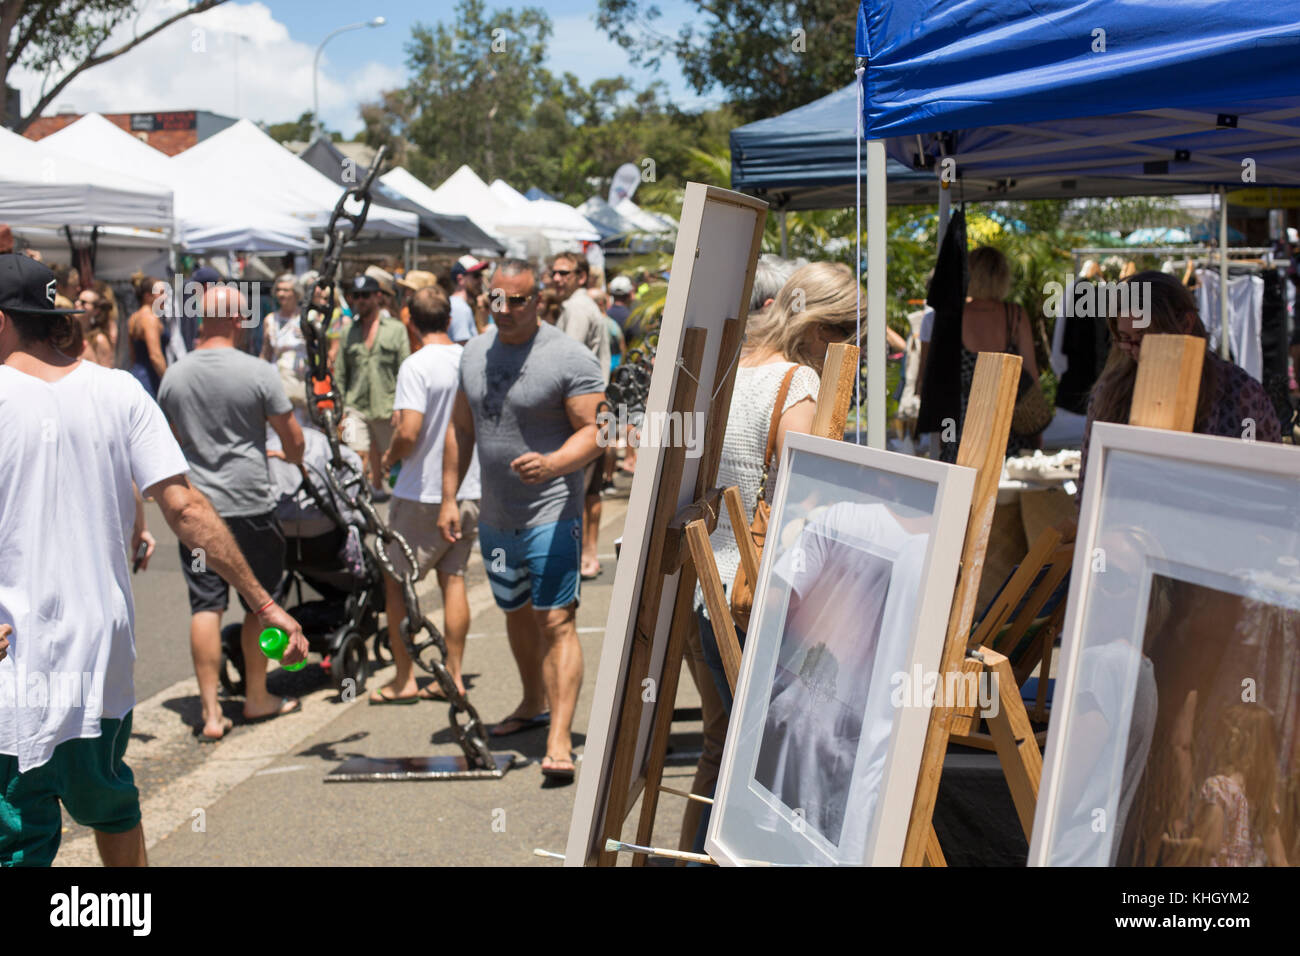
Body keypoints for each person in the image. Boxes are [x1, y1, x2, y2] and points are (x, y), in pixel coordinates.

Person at [0, 254, 306, 866]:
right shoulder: (120, 392)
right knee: (110, 800)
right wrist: (265, 603)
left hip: (13, 661)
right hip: (101, 651)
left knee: (18, 830)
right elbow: (186, 508)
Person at [682, 260, 861, 852]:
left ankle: (699, 853)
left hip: (708, 578)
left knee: (724, 742)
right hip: (758, 590)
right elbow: (809, 492)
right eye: (849, 331)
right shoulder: (798, 383)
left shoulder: (731, 368)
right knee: (761, 751)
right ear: (818, 330)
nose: (852, 347)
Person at [439, 259, 605, 782]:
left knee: (556, 620)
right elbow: (460, 430)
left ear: (539, 301)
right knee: (515, 612)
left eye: (517, 300)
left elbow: (598, 430)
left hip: (551, 512)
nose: (505, 309)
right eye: (497, 299)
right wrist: (448, 497)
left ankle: (559, 736)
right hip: (496, 516)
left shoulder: (567, 356)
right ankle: (532, 701)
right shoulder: (472, 353)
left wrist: (554, 462)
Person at [158, 285, 307, 742]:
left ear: (202, 320)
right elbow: (294, 439)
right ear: (240, 320)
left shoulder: (174, 376)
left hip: (198, 509)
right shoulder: (259, 372)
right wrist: (292, 458)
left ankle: (210, 714)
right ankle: (258, 696)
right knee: (260, 602)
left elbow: (167, 444)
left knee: (206, 604)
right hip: (251, 504)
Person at [370, 288, 482, 703]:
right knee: (453, 579)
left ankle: (404, 679)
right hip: (469, 488)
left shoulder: (416, 365)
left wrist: (386, 459)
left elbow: (410, 431)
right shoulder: (467, 360)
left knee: (396, 582)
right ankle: (452, 674)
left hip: (423, 490)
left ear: (410, 322)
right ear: (449, 319)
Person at [1082, 270, 1281, 480]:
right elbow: (1089, 482)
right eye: (1124, 338)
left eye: (1144, 337)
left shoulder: (1240, 393)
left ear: (1186, 324)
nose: (1136, 351)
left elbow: (1269, 477)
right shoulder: (1110, 394)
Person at [946, 245, 1039, 461]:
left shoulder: (955, 317)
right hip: (1009, 423)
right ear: (1002, 277)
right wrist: (1036, 427)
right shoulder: (1015, 316)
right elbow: (1031, 373)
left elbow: (944, 380)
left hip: (963, 425)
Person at [550, 252, 611, 581]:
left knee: (574, 490)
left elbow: (565, 359)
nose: (558, 278)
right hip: (597, 408)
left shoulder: (575, 307)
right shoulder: (583, 305)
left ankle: (575, 559)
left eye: (565, 273)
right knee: (590, 492)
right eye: (554, 273)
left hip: (584, 412)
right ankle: (587, 556)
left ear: (581, 276)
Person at [334, 273, 411, 500]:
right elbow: (340, 372)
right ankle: (361, 499)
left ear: (378, 296)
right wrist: (340, 410)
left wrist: (402, 406)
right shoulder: (348, 331)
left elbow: (404, 369)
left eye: (365, 295)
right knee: (357, 455)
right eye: (356, 296)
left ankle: (397, 496)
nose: (360, 301)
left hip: (387, 405)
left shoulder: (395, 329)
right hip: (355, 405)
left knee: (394, 456)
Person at [261, 273, 309, 422]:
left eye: (286, 290)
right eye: (279, 290)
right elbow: (266, 351)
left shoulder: (306, 319)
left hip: (301, 380)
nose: (281, 294)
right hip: (278, 378)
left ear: (296, 293)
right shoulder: (270, 320)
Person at [127, 275, 168, 399]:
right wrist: (168, 380)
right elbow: (155, 356)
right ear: (148, 296)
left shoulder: (134, 317)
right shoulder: (149, 318)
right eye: (161, 293)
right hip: (150, 378)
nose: (165, 297)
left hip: (136, 375)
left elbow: (132, 355)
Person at [448, 255, 489, 344]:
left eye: (481, 275)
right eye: (476, 275)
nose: (481, 280)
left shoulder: (459, 305)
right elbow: (463, 349)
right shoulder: (459, 308)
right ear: (460, 279)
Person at [73, 285, 115, 367]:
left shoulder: (99, 340)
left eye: (83, 302)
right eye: (76, 300)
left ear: (96, 311)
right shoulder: (70, 335)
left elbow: (106, 372)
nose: (77, 303)